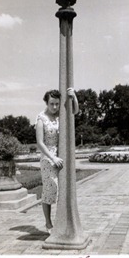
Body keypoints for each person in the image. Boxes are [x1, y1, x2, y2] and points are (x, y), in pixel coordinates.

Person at [35, 87, 79, 234]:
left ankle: (63, 221)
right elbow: (40, 143)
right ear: (46, 103)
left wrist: (74, 97)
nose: (54, 107)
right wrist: (52, 157)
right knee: (50, 188)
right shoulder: (41, 118)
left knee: (65, 188)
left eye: (57, 104)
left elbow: (75, 112)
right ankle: (48, 223)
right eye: (51, 104)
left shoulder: (60, 115)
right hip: (48, 157)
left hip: (61, 155)